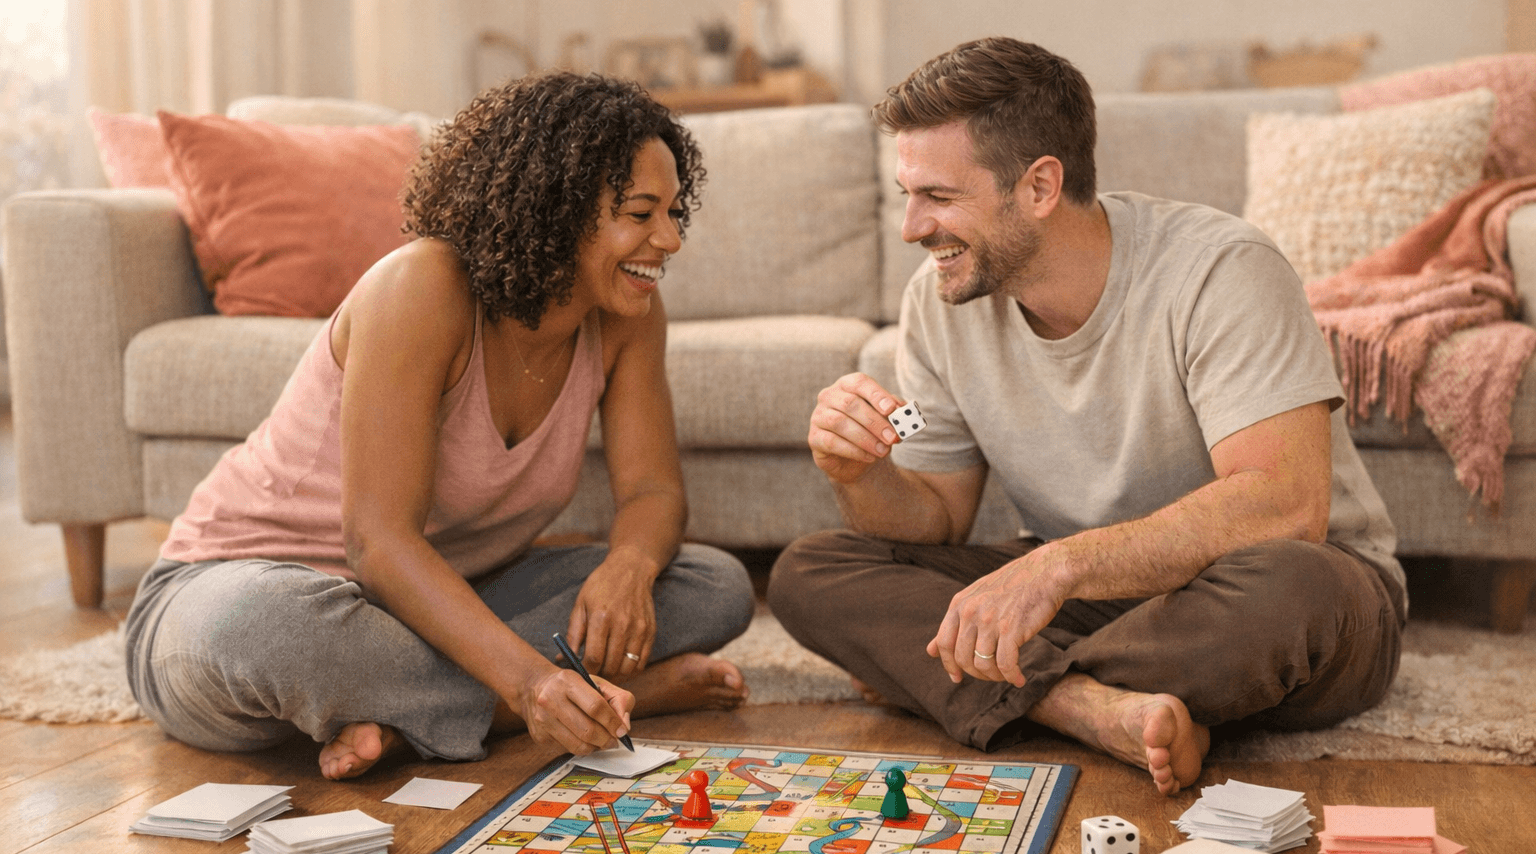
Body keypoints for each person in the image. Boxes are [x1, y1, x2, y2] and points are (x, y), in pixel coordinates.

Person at [768, 38, 1406, 796]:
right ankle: (1091, 709)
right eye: (907, 194)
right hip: (1093, 604)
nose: (912, 226)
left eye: (937, 196)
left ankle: (970, 682)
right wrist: (862, 472)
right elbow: (935, 518)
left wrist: (1056, 566)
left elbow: (1286, 504)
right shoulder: (940, 304)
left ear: (1039, 185)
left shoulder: (1221, 269)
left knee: (1293, 590)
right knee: (811, 571)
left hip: (1272, 591)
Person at [125, 71, 757, 780]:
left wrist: (629, 567)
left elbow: (652, 491)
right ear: (558, 209)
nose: (668, 240)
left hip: (439, 602)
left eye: (675, 212)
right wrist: (528, 682)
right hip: (239, 593)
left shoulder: (627, 312)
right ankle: (553, 705)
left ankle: (406, 715)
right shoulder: (421, 287)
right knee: (262, 631)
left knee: (713, 583)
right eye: (642, 214)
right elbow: (379, 545)